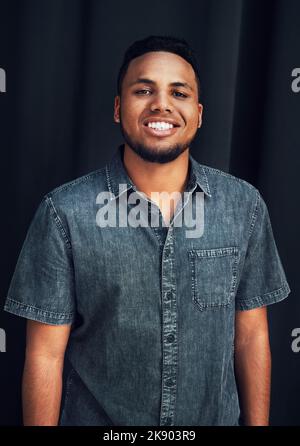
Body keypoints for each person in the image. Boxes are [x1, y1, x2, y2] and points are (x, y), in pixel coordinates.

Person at [4, 35, 291, 426]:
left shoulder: (244, 206)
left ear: (199, 113)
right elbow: (44, 355)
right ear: (119, 108)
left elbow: (251, 336)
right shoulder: (63, 213)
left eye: (179, 92)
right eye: (144, 90)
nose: (162, 104)